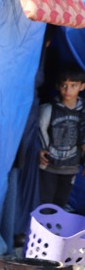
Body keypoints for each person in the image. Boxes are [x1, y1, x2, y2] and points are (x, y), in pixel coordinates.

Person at [37, 65, 85, 207]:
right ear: (58, 86)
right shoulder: (48, 109)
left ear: (82, 87)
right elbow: (41, 131)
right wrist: (41, 150)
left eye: (73, 85)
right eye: (64, 85)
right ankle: (42, 229)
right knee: (45, 202)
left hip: (71, 166)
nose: (68, 90)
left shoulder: (83, 112)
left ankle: (56, 230)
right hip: (49, 166)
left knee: (61, 202)